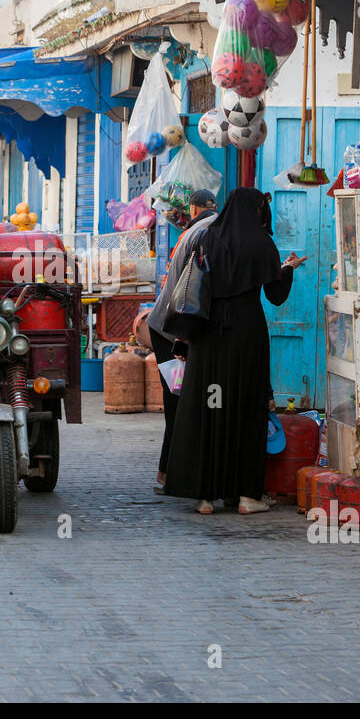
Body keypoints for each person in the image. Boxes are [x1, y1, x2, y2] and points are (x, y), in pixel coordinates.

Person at [163, 188, 306, 515]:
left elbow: (195, 286)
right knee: (245, 409)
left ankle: (205, 496)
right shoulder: (263, 244)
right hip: (247, 336)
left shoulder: (207, 238)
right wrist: (288, 270)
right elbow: (276, 296)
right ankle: (245, 496)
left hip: (209, 336)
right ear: (257, 210)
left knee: (210, 407)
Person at [144, 189, 218, 493]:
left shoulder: (199, 230)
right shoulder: (207, 233)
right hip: (170, 330)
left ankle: (170, 472)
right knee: (178, 404)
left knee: (180, 404)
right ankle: (168, 474)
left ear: (194, 207)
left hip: (170, 326)